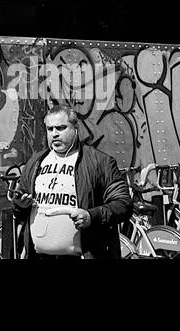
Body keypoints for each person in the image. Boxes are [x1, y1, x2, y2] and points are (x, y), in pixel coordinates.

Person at [10, 105, 131, 259]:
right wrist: (20, 205)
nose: (54, 134)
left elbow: (123, 204)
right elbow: (20, 209)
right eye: (50, 129)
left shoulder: (101, 162)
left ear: (75, 128)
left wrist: (91, 216)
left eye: (61, 128)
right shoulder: (35, 162)